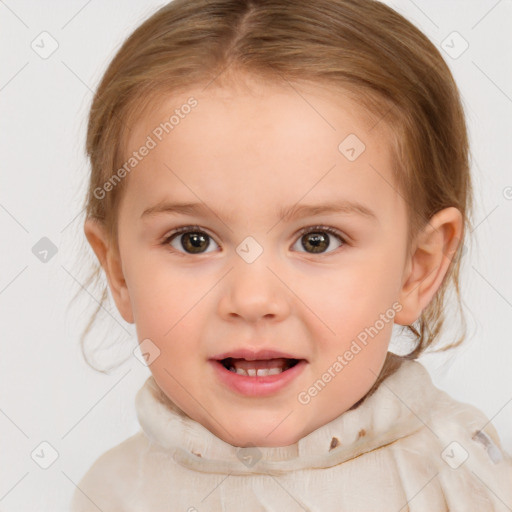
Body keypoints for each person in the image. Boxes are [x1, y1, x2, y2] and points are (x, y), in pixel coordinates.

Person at [71, 0, 512, 509]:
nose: (253, 299)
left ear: (419, 268)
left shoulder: (467, 486)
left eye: (316, 240)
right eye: (193, 240)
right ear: (119, 271)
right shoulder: (112, 493)